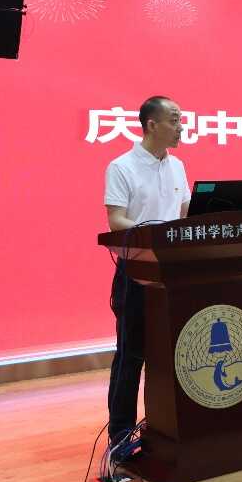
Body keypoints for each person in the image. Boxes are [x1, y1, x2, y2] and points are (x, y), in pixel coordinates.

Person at [103, 96, 190, 455]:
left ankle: (168, 428)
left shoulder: (178, 166)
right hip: (136, 273)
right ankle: (121, 437)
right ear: (151, 125)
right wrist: (154, 233)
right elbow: (116, 220)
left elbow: (184, 214)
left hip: (175, 274)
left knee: (174, 354)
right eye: (174, 120)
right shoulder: (121, 166)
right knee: (131, 355)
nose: (181, 127)